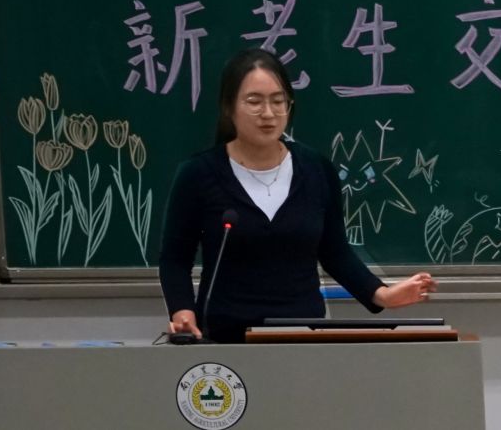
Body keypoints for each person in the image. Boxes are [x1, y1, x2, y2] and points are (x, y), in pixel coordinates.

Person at [160, 48, 437, 343]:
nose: (268, 113)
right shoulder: (198, 174)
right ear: (229, 107)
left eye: (278, 101)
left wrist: (382, 294)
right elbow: (175, 259)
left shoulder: (316, 170)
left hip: (301, 335)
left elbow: (335, 252)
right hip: (224, 339)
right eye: (254, 102)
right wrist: (183, 312)